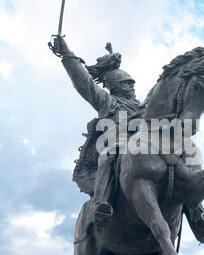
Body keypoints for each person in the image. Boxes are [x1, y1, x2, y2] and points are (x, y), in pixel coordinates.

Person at [51, 35, 140, 224]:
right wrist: (67, 54)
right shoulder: (109, 102)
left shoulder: (145, 107)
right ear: (115, 86)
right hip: (117, 151)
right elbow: (85, 83)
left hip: (145, 151)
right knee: (109, 156)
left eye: (132, 83)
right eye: (127, 83)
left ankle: (197, 214)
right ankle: (102, 202)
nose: (132, 87)